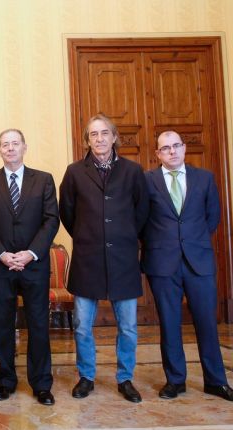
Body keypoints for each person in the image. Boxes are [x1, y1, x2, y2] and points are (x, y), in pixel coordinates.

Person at [59, 114, 149, 403]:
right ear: (87, 140)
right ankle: (86, 376)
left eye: (104, 133)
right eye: (93, 134)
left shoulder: (133, 171)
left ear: (114, 137)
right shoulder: (74, 172)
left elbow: (142, 211)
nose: (99, 139)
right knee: (83, 325)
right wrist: (88, 235)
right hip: (88, 258)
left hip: (123, 258)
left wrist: (122, 234)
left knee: (128, 326)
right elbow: (68, 213)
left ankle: (125, 378)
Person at [142, 131, 233, 401]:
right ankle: (175, 381)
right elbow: (140, 220)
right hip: (162, 262)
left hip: (199, 261)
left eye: (176, 146)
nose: (172, 151)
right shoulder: (147, 181)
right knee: (169, 323)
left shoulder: (204, 178)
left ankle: (216, 381)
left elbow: (212, 217)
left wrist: (191, 241)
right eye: (165, 148)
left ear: (184, 148)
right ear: (157, 154)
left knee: (207, 322)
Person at [0, 129, 60, 406]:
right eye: (4, 145)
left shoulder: (44, 179)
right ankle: (6, 380)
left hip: (34, 265)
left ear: (25, 147)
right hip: (1, 267)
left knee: (37, 325)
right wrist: (0, 254)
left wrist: (31, 253)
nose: (10, 149)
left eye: (15, 144)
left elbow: (51, 220)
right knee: (2, 325)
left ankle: (41, 383)